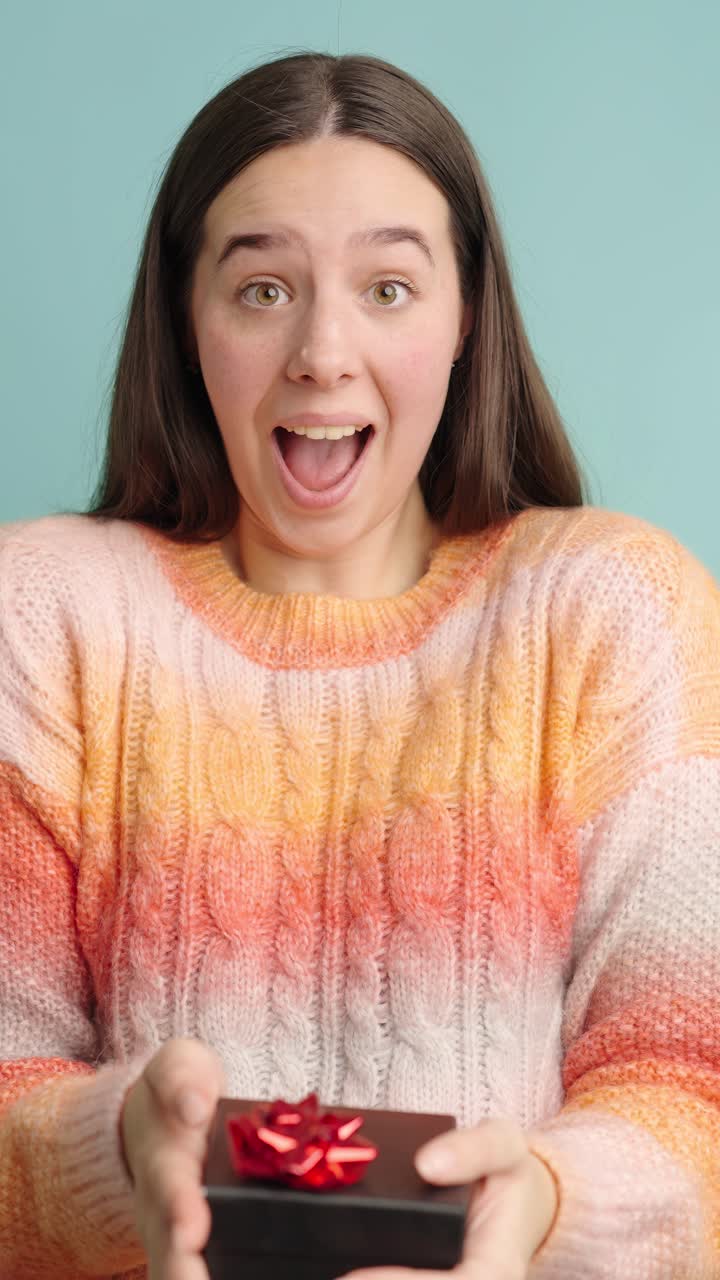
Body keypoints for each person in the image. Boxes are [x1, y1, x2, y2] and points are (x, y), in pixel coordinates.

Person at [0, 49, 718, 1280]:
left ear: (466, 317)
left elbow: (690, 1082)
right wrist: (115, 1148)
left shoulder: (614, 611)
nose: (323, 353)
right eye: (263, 288)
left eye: (388, 287)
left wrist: (546, 1202)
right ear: (186, 317)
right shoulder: (41, 615)